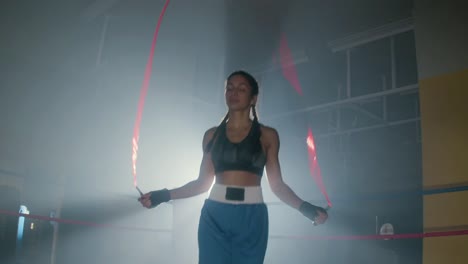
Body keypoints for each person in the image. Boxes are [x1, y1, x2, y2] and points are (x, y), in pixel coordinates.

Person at [138, 70, 328, 264]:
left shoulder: (268, 135)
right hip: (214, 214)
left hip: (251, 216)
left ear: (253, 98)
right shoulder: (211, 135)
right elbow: (202, 184)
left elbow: (277, 186)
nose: (234, 92)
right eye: (229, 88)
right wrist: (162, 195)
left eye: (241, 89)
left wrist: (306, 208)